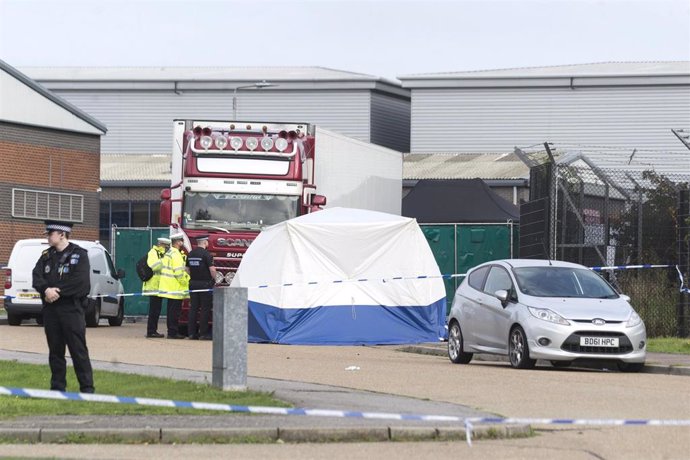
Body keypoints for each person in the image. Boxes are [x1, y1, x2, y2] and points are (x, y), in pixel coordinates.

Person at [31, 220, 94, 393]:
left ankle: (87, 388)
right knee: (55, 351)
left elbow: (81, 283)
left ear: (61, 234)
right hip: (51, 311)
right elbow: (37, 277)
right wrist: (45, 290)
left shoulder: (79, 255)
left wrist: (57, 292)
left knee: (78, 350)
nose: (48, 237)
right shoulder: (46, 256)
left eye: (50, 234)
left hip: (71, 309)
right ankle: (57, 387)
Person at [158, 232, 189, 339]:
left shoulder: (169, 252)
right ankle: (173, 332)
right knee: (174, 312)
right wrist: (185, 281)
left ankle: (171, 331)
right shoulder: (176, 254)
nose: (182, 243)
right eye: (182, 241)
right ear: (178, 242)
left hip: (168, 287)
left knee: (170, 312)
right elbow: (178, 272)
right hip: (175, 287)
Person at [186, 234, 217, 340]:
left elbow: (187, 269)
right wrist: (215, 279)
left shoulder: (190, 254)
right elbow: (212, 269)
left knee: (193, 308)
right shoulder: (206, 254)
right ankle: (202, 333)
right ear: (205, 242)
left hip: (193, 283)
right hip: (205, 284)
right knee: (205, 308)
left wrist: (193, 276)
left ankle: (191, 333)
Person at [143, 236, 171, 338]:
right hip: (153, 286)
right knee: (154, 310)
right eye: (165, 246)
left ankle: (153, 330)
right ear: (161, 244)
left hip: (159, 286)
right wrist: (164, 259)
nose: (166, 248)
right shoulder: (153, 252)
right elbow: (154, 266)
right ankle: (151, 331)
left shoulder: (160, 253)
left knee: (156, 310)